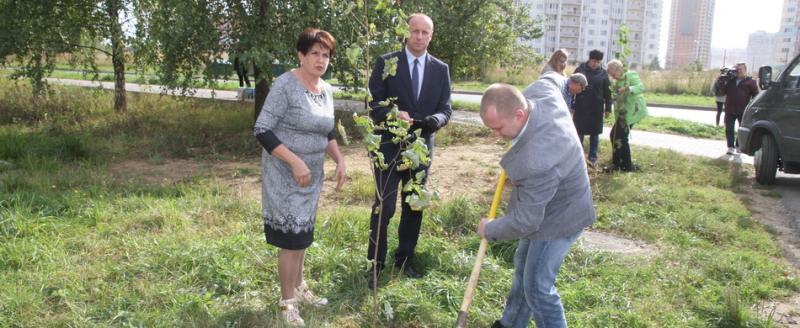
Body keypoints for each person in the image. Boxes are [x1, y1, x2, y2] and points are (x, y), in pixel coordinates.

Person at [477, 82, 596, 328]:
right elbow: (551, 78)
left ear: (519, 114)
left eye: (498, 128)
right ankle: (511, 324)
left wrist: (490, 228)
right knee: (523, 267)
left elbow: (526, 221)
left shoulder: (538, 160)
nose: (495, 136)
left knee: (537, 288)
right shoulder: (542, 92)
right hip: (544, 201)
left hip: (560, 217)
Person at [253, 28, 347, 326]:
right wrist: (294, 162)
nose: (321, 60)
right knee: (291, 239)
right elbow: (262, 129)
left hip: (312, 175)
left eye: (326, 55)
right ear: (301, 55)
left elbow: (327, 130)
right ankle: (287, 304)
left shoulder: (326, 89)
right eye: (315, 53)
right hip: (285, 173)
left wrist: (340, 159)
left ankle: (299, 287)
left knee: (302, 236)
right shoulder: (286, 85)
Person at [366, 13, 452, 289]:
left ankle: (405, 261)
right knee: (385, 205)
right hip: (388, 147)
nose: (419, 37)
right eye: (414, 31)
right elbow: (372, 103)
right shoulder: (386, 62)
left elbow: (446, 108)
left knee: (413, 207)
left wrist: (435, 121)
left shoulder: (440, 69)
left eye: (424, 32)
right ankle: (375, 265)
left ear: (431, 35)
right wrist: (393, 113)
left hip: (421, 148)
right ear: (407, 33)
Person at [606, 59, 647, 172]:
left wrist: (628, 88)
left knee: (618, 136)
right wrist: (614, 97)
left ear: (619, 69)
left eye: (613, 74)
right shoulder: (617, 82)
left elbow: (641, 88)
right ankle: (625, 165)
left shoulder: (631, 75)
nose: (613, 77)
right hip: (623, 113)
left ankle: (620, 165)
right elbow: (617, 95)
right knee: (617, 136)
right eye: (611, 75)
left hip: (633, 111)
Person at [573, 49, 612, 167]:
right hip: (581, 106)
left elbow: (608, 92)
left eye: (598, 62)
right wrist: (571, 105)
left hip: (597, 108)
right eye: (594, 61)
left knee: (595, 134)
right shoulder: (580, 70)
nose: (595, 64)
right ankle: (577, 157)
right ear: (589, 59)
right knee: (579, 133)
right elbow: (571, 87)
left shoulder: (603, 73)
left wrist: (608, 108)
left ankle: (592, 158)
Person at [718, 62, 759, 155]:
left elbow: (756, 95)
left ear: (745, 70)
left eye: (741, 69)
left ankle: (738, 146)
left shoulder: (751, 82)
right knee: (729, 128)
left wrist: (752, 108)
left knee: (741, 129)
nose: (739, 71)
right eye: (737, 69)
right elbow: (722, 92)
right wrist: (721, 80)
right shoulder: (730, 80)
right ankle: (730, 147)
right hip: (729, 109)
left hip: (743, 110)